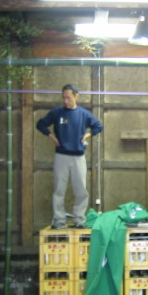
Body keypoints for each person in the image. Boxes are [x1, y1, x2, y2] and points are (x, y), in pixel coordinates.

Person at [37, 84, 103, 229]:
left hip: (79, 157)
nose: (65, 101)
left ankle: (79, 220)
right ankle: (59, 220)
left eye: (68, 97)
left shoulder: (84, 114)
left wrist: (87, 135)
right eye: (63, 98)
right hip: (61, 156)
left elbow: (98, 126)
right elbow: (40, 124)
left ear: (76, 96)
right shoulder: (57, 112)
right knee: (59, 189)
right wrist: (52, 137)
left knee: (81, 190)